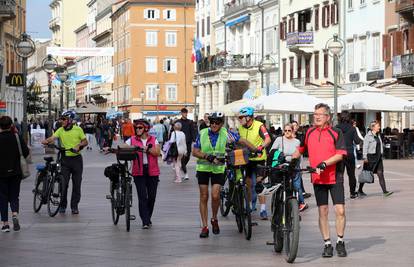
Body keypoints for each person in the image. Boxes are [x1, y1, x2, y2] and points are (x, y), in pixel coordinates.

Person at [292, 103, 347, 258]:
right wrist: (288, 158)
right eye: (314, 113)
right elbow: (300, 149)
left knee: (340, 211)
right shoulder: (309, 132)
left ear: (327, 117)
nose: (316, 116)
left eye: (320, 114)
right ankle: (327, 243)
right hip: (317, 178)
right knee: (323, 211)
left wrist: (324, 163)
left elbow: (340, 154)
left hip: (335, 176)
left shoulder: (336, 132)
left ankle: (340, 241)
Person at [193, 112, 258, 238]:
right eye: (212, 122)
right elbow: (194, 151)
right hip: (203, 168)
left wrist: (255, 149)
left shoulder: (226, 133)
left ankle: (214, 218)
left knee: (216, 195)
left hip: (218, 169)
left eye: (217, 122)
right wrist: (206, 156)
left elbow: (242, 141)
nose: (214, 125)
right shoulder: (202, 133)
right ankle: (205, 227)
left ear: (221, 123)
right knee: (204, 196)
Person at [41, 111, 88, 214]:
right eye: (61, 119)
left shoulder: (78, 129)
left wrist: (79, 146)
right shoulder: (60, 130)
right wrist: (46, 141)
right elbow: (53, 138)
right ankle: (62, 205)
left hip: (76, 159)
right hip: (65, 159)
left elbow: (85, 141)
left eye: (64, 119)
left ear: (70, 120)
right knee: (63, 184)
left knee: (77, 184)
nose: (62, 121)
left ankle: (74, 206)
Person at [238, 107, 271, 219]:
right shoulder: (240, 127)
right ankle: (249, 206)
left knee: (259, 183)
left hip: (259, 158)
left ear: (249, 117)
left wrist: (260, 147)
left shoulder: (259, 125)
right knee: (248, 184)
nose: (240, 119)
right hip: (246, 159)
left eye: (242, 117)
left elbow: (268, 139)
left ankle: (262, 209)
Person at [127, 119, 161, 229]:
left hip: (152, 171)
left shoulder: (153, 139)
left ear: (146, 129)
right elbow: (123, 147)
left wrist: (147, 150)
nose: (137, 129)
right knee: (142, 197)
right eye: (136, 128)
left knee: (152, 197)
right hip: (138, 171)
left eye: (140, 127)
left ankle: (147, 217)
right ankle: (145, 221)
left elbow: (157, 152)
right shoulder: (132, 139)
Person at [0, 116, 30, 232]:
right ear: (11, 125)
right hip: (16, 172)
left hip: (1, 173)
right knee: (14, 196)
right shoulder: (17, 137)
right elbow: (26, 152)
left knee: (2, 198)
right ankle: (15, 214)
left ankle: (5, 224)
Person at [270, 123, 308, 212]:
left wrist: (300, 168)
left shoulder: (297, 141)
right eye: (285, 130)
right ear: (283, 131)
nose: (287, 132)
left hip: (294, 165)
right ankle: (279, 202)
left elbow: (300, 156)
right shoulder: (279, 139)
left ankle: (300, 203)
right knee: (281, 185)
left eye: (289, 130)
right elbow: (272, 151)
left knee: (297, 185)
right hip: (281, 165)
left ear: (292, 131)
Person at [358, 121, 393, 197]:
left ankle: (385, 192)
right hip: (370, 158)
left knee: (380, 174)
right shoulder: (368, 136)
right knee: (366, 174)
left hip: (378, 158)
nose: (379, 127)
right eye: (378, 126)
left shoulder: (378, 135)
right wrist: (365, 157)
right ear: (373, 127)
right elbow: (365, 147)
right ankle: (360, 190)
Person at [336, 111, 361, 199]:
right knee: (351, 174)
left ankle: (339, 194)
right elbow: (357, 141)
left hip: (339, 154)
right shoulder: (352, 128)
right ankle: (352, 193)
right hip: (349, 153)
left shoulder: (336, 128)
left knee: (339, 175)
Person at [291, 120, 312, 199]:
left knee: (299, 174)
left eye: (296, 125)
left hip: (300, 157)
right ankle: (300, 193)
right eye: (293, 126)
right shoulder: (288, 135)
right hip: (292, 158)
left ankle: (301, 192)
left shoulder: (300, 136)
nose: (295, 127)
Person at [177, 108, 196, 181]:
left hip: (188, 142)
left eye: (186, 113)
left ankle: (182, 167)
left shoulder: (190, 122)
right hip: (180, 143)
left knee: (187, 157)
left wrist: (194, 140)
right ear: (181, 113)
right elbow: (174, 131)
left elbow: (193, 131)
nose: (185, 114)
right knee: (182, 158)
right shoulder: (178, 122)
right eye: (184, 113)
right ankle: (185, 173)